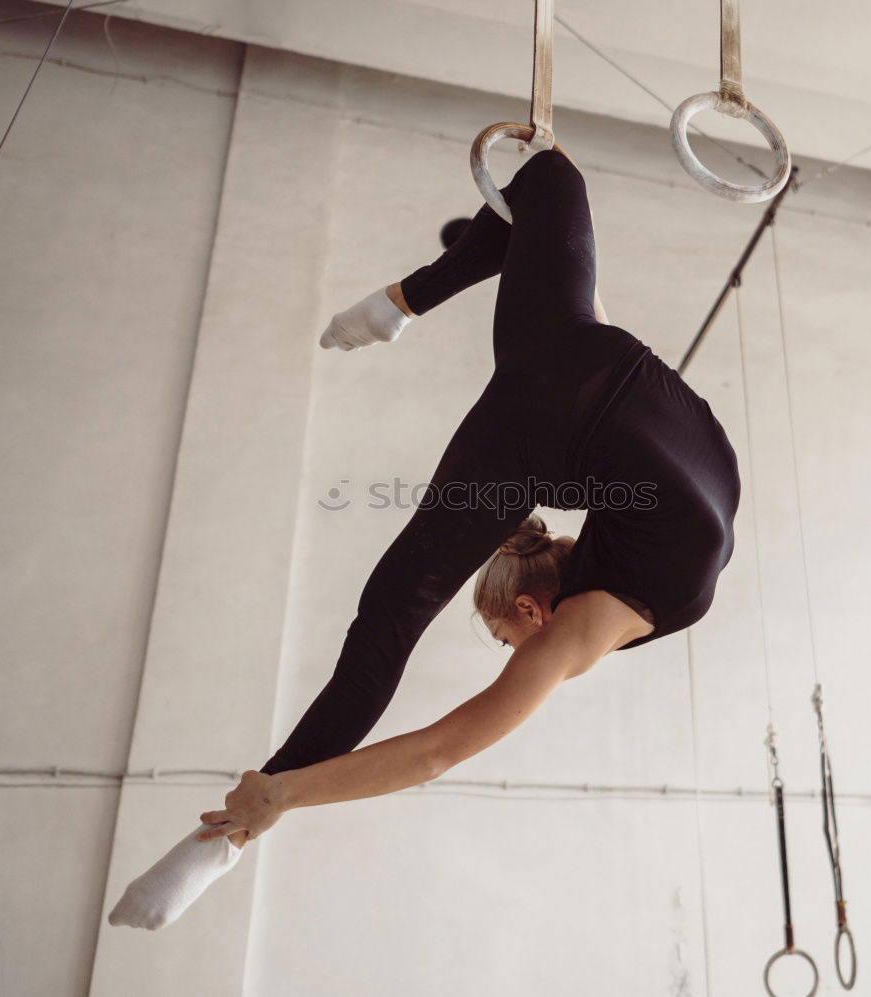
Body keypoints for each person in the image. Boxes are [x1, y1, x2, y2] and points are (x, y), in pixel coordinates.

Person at [109, 147, 740, 930]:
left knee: (550, 179)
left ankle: (406, 300)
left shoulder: (667, 576)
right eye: (511, 644)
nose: (523, 656)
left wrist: (538, 261)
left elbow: (440, 751)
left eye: (510, 646)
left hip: (587, 353)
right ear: (537, 611)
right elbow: (436, 751)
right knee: (389, 619)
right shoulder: (583, 626)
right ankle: (227, 839)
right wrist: (282, 793)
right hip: (553, 403)